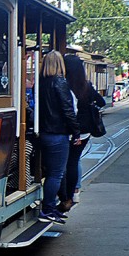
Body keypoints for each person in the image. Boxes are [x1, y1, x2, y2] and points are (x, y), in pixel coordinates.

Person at [37, 49, 80, 224]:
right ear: (60, 64)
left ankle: (49, 208)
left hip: (44, 133)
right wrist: (76, 132)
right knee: (56, 174)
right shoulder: (60, 82)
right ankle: (48, 209)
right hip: (58, 134)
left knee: (51, 173)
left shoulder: (41, 83)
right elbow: (68, 110)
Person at [58, 54, 106, 213]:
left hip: (70, 129)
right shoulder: (86, 86)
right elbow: (102, 102)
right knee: (74, 160)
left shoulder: (64, 85)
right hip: (85, 131)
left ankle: (67, 194)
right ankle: (75, 192)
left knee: (65, 163)